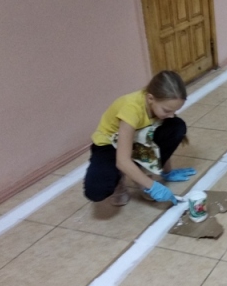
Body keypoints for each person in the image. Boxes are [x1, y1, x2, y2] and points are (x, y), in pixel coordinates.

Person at [84, 70, 196, 206]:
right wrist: (153, 186)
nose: (171, 115)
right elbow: (122, 161)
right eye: (167, 110)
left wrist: (167, 172)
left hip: (138, 141)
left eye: (175, 111)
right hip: (109, 145)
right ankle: (120, 180)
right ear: (150, 98)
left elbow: (160, 144)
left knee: (176, 126)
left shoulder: (158, 107)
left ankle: (143, 175)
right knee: (96, 191)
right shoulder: (131, 109)